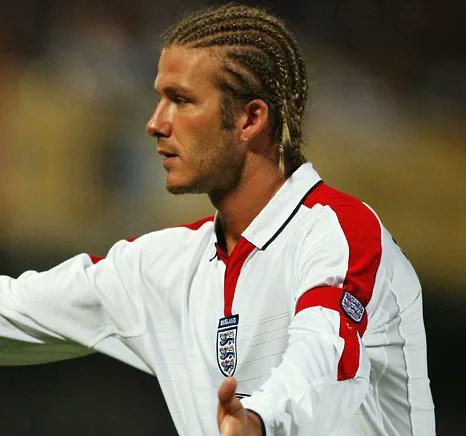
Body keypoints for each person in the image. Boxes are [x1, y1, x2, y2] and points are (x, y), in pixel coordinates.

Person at [0, 3, 435, 435]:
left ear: (250, 118)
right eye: (159, 99)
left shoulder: (339, 232)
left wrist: (260, 421)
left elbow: (325, 352)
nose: (155, 123)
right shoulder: (160, 268)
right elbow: (13, 311)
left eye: (181, 100)